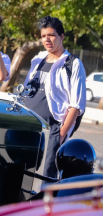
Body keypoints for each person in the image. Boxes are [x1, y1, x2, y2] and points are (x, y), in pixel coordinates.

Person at [23, 16, 86, 178]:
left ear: (62, 36)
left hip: (52, 130)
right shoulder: (37, 60)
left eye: (51, 35)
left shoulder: (73, 64)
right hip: (29, 127)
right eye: (43, 36)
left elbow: (76, 105)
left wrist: (61, 134)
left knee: (45, 178)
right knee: (24, 173)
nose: (47, 39)